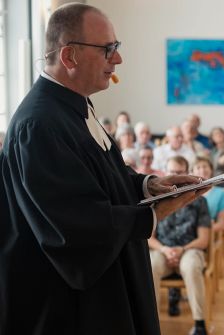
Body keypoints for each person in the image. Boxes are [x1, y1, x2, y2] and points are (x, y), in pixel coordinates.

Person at [0, 4, 207, 334]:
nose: (118, 59)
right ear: (70, 57)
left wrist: (148, 185)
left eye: (117, 47)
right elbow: (73, 227)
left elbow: (102, 176)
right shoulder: (39, 125)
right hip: (65, 306)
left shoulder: (75, 104)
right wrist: (153, 215)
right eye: (108, 49)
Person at [149, 156, 211, 335]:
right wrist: (165, 250)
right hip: (163, 250)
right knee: (151, 266)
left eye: (179, 172)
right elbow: (148, 237)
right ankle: (151, 323)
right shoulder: (155, 199)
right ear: (165, 173)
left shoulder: (200, 201)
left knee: (191, 266)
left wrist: (182, 249)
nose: (175, 176)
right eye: (172, 172)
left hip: (189, 249)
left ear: (187, 174)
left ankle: (200, 324)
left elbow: (203, 239)